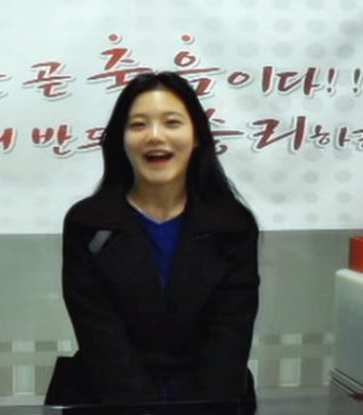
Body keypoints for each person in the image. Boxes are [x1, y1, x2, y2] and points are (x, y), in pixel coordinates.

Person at [46, 71, 260, 406]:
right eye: (138, 125)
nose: (155, 136)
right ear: (121, 140)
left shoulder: (232, 225)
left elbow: (227, 343)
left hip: (210, 405)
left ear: (197, 137)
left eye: (172, 123)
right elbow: (103, 343)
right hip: (111, 402)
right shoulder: (88, 224)